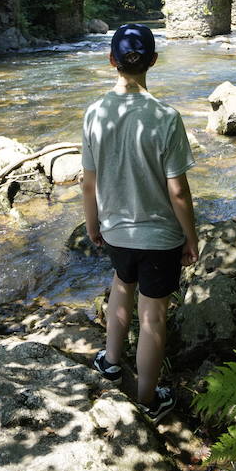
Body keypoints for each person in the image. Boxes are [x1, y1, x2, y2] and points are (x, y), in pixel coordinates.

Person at [81, 23, 198, 421]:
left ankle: (111, 362)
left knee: (120, 282)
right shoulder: (165, 117)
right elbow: (178, 192)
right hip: (159, 236)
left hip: (115, 229)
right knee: (153, 315)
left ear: (111, 60)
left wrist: (92, 223)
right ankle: (148, 400)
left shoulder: (95, 112)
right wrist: (190, 237)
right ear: (153, 61)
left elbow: (88, 180)